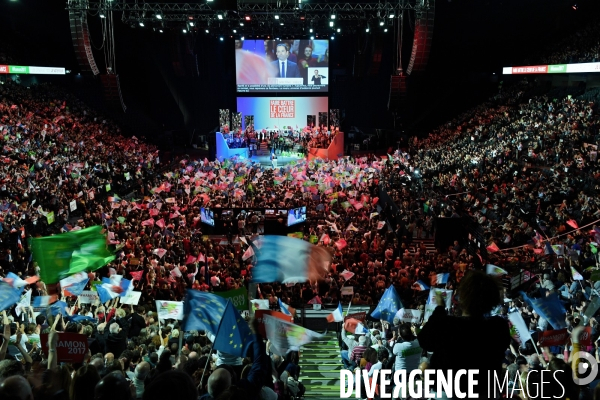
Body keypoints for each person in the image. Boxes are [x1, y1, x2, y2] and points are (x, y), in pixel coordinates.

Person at [417, 270, 511, 398]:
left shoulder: (448, 325)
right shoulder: (498, 326)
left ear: (463, 297)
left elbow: (425, 341)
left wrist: (439, 309)